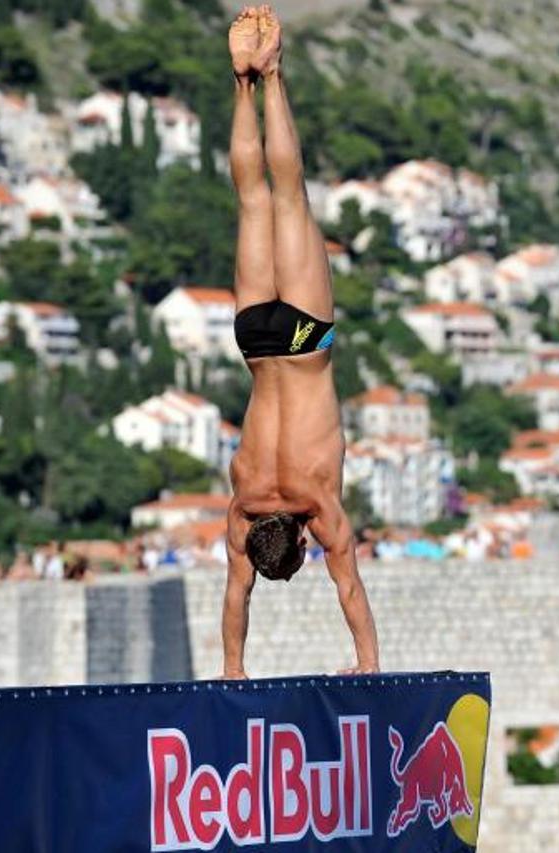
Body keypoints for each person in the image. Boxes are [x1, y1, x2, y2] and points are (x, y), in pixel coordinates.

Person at [221, 6, 378, 679]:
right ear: (259, 536)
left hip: (306, 343)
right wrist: (232, 665)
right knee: (256, 200)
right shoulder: (243, 500)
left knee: (290, 197)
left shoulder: (322, 506)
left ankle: (274, 73)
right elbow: (235, 593)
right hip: (257, 342)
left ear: (304, 539)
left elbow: (349, 587)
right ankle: (246, 84)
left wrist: (368, 662)